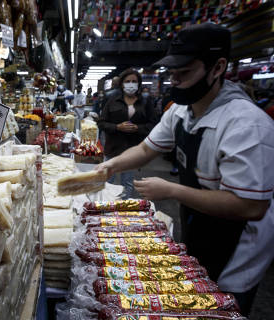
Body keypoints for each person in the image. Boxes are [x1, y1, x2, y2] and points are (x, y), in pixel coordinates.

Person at [95, 23, 274, 317]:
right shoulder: (180, 111)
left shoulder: (246, 125)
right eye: (172, 74)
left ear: (217, 68)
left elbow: (250, 205)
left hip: (237, 245)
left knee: (224, 306)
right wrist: (110, 164)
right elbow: (145, 149)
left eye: (184, 73)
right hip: (199, 226)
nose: (175, 82)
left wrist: (171, 190)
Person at [97, 68, 157, 199]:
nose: (131, 84)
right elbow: (101, 123)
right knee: (107, 182)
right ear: (122, 83)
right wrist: (117, 127)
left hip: (133, 150)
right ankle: (105, 208)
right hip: (113, 148)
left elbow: (152, 125)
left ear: (139, 84)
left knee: (127, 183)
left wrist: (138, 128)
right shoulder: (112, 100)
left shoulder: (145, 102)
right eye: (127, 81)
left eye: (134, 81)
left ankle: (124, 211)